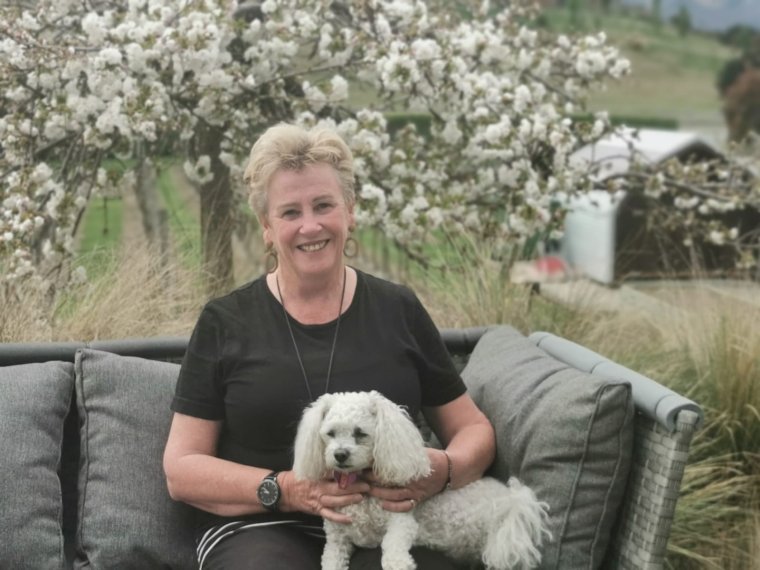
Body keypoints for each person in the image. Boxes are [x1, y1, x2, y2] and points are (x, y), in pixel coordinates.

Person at [163, 123, 497, 570]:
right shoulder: (225, 321)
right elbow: (181, 468)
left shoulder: (398, 308)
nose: (310, 225)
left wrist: (443, 470)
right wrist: (285, 488)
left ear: (350, 211)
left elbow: (474, 431)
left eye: (324, 205)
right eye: (289, 213)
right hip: (262, 528)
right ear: (266, 227)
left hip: (384, 527)